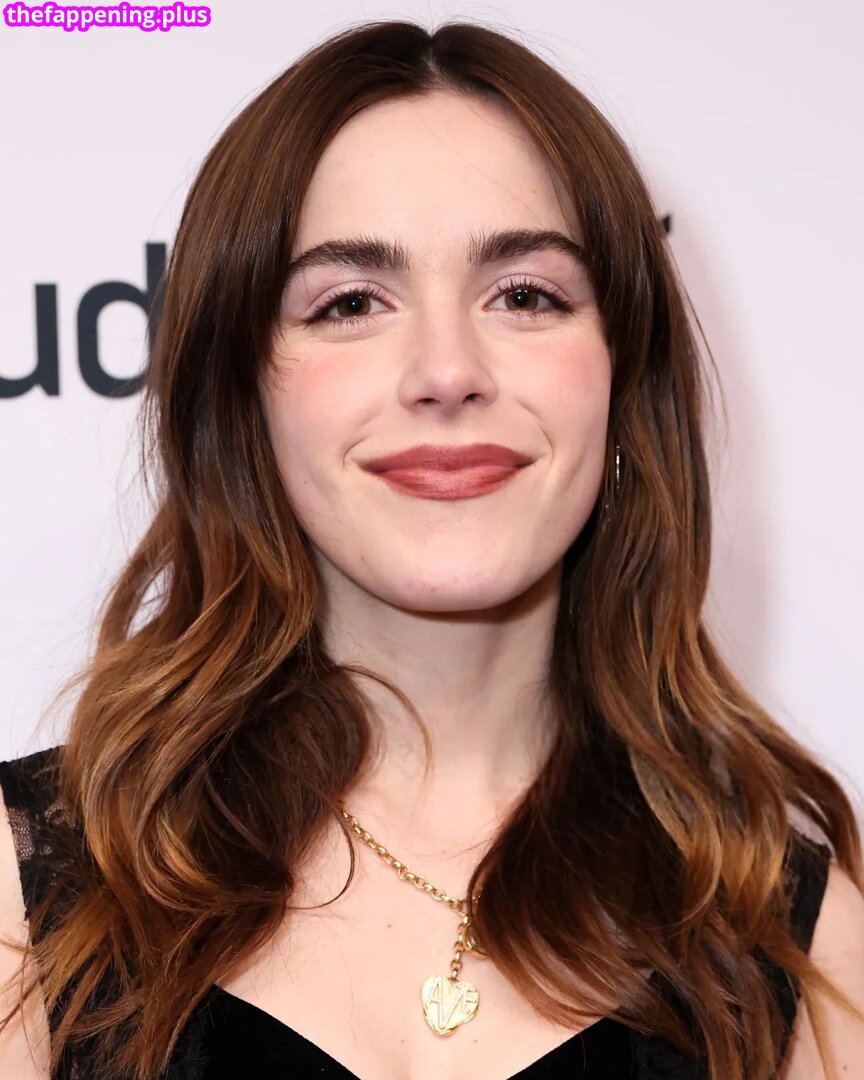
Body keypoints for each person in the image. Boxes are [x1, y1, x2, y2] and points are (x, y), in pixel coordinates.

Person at [1, 17, 863, 1080]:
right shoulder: (31, 899)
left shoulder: (795, 946)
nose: (447, 370)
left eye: (526, 295)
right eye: (351, 303)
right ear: (244, 397)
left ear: (620, 377)